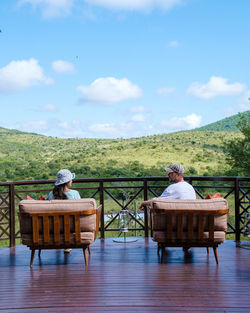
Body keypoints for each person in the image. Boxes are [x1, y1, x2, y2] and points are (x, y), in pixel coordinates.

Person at [48, 169, 80, 253]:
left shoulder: (51, 194)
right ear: (67, 181)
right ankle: (67, 244)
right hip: (71, 226)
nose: (72, 180)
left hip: (54, 226)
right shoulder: (75, 194)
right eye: (71, 179)